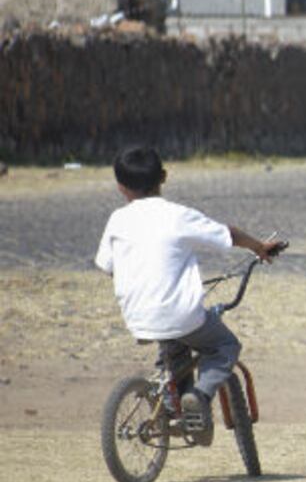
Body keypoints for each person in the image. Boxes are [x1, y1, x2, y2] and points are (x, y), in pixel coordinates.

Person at [95, 146, 283, 445]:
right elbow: (228, 234)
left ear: (120, 186)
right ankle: (198, 394)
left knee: (173, 346)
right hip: (180, 315)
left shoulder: (117, 220)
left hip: (137, 315)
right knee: (224, 344)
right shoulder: (177, 215)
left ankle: (172, 403)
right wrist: (259, 247)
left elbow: (106, 265)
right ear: (164, 177)